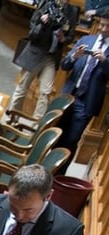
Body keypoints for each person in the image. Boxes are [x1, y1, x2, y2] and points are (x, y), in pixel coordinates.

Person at [11, 0, 78, 119]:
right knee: (22, 88)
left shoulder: (73, 11)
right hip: (36, 53)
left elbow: (71, 36)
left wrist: (64, 39)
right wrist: (42, 24)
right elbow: (32, 32)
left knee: (46, 93)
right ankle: (12, 119)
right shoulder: (46, 3)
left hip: (51, 57)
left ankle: (34, 127)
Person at [58, 12, 109, 155]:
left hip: (86, 101)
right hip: (69, 95)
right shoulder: (86, 40)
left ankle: (58, 176)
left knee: (72, 139)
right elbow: (64, 65)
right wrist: (74, 56)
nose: (103, 29)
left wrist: (105, 61)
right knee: (56, 132)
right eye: (102, 24)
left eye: (107, 26)